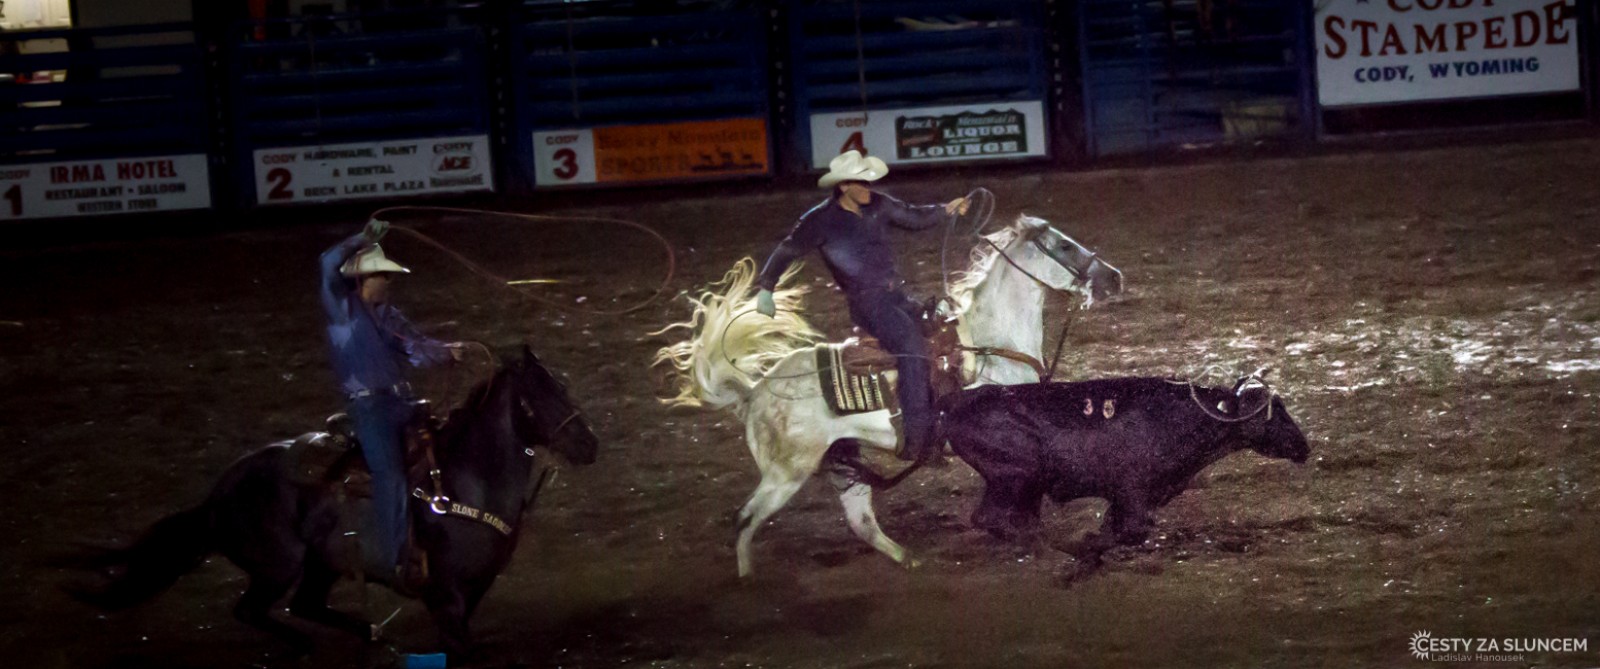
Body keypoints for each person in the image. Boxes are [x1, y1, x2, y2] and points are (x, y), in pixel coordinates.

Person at [754, 150, 968, 463]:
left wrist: (945, 210)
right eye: (861, 182)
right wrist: (766, 287)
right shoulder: (820, 221)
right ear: (843, 186)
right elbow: (788, 250)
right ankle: (917, 437)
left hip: (896, 296)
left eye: (869, 181)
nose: (868, 186)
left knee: (941, 329)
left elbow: (913, 215)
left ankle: (943, 411)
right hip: (867, 303)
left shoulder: (879, 204)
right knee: (911, 348)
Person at [320, 218, 463, 587]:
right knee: (390, 475)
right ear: (362, 281)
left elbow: (416, 350)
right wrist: (361, 239)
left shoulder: (391, 317)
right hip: (370, 409)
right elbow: (326, 262)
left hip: (402, 402)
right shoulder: (343, 310)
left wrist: (447, 352)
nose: (389, 281)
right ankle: (393, 556)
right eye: (382, 275)